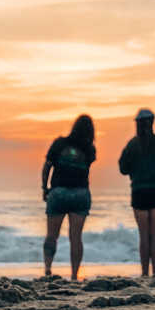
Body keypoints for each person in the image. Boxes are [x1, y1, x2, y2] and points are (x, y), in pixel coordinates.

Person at [118, 108, 155, 277]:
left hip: (139, 191)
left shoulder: (132, 145)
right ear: (153, 122)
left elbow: (123, 168)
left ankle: (144, 273)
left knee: (143, 235)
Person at [41, 114, 96, 280]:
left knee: (52, 235)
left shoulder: (59, 143)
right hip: (80, 193)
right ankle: (74, 274)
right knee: (76, 237)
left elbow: (47, 166)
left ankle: (48, 268)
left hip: (59, 192)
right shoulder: (90, 149)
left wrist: (45, 188)